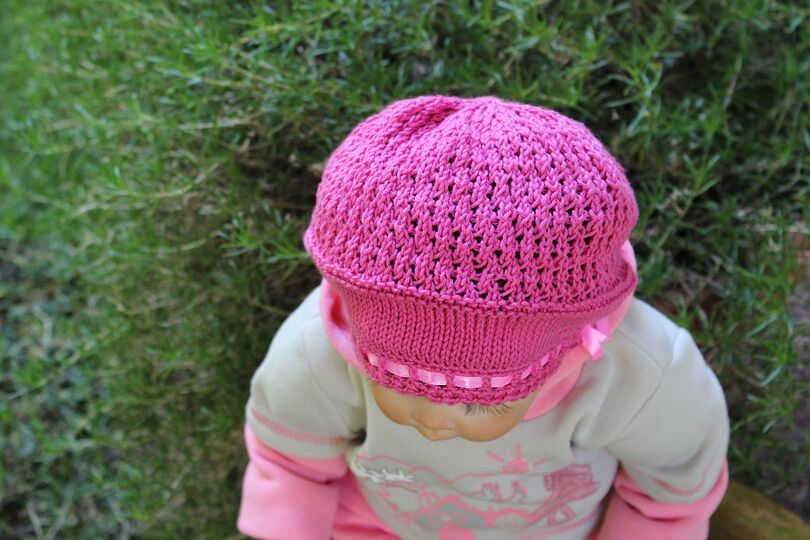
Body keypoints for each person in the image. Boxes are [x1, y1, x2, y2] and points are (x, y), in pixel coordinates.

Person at [236, 95, 730, 540]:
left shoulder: (638, 375)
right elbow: (290, 457)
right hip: (378, 524)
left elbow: (673, 489)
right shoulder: (320, 349)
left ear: (564, 340)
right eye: (398, 382)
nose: (432, 421)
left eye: (476, 403)